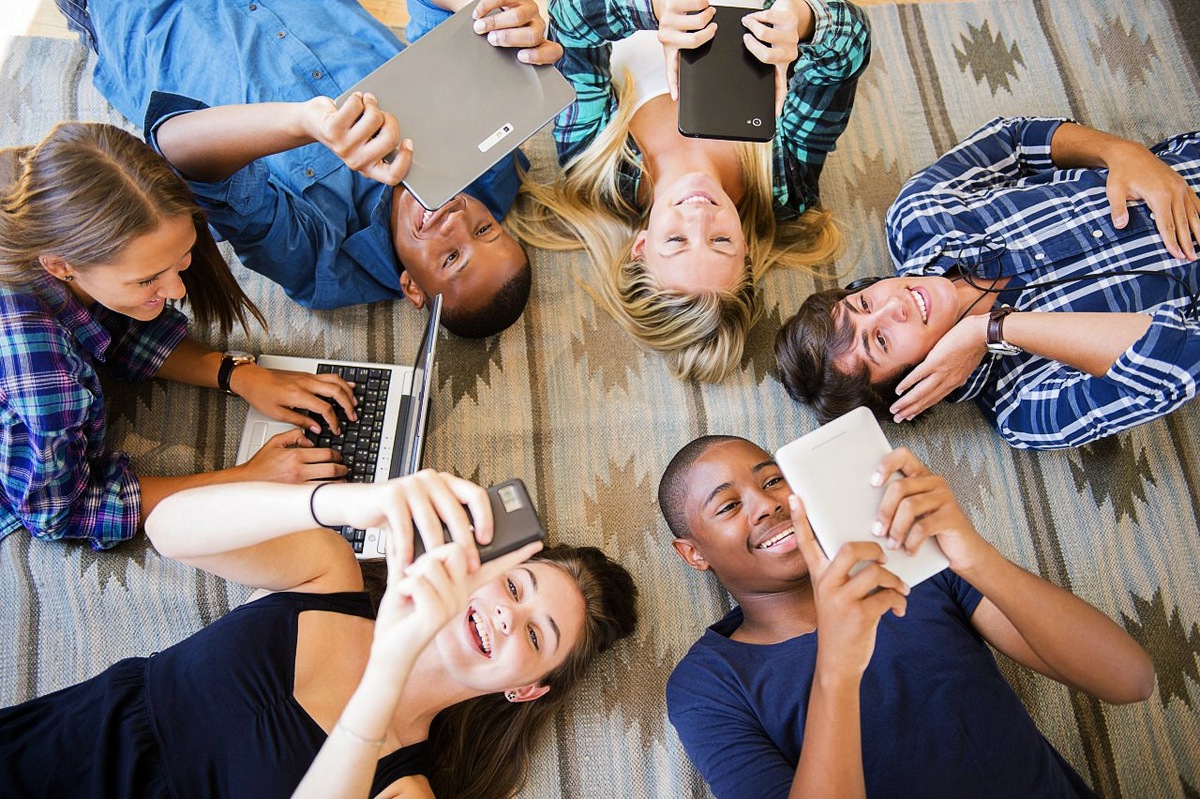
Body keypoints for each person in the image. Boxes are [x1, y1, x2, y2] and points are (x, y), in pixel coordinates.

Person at [0, 469, 639, 799]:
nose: (507, 617)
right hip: (47, 750)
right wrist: (340, 503)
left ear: (525, 690)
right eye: (515, 588)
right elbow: (167, 529)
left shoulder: (404, 790)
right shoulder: (328, 573)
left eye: (536, 637)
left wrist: (390, 669)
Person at [658, 435, 1154, 798]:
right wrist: (837, 665)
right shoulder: (708, 684)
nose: (768, 504)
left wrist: (974, 556)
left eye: (773, 480)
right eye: (728, 506)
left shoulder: (911, 564)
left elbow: (1130, 679)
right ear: (693, 553)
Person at [60, 0, 563, 338]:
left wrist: (305, 124)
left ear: (412, 287)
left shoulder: (323, 265)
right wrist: (486, 13)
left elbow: (177, 152)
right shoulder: (492, 167)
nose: (457, 221)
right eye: (485, 229)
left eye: (451, 257)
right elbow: (438, 18)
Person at [0, 122, 355, 550]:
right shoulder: (40, 370)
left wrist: (238, 374)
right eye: (146, 279)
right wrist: (246, 480)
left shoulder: (49, 196)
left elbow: (116, 329)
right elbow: (60, 511)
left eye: (182, 259)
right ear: (60, 267)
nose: (176, 291)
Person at [775, 117, 1200, 449]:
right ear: (914, 384)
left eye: (864, 304)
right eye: (881, 341)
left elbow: (1015, 140)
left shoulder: (919, 214)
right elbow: (1178, 361)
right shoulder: (1024, 406)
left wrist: (1122, 152)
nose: (894, 306)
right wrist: (993, 329)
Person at [508, 0, 867, 381]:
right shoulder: (783, 182)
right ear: (745, 247)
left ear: (641, 246)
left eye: (677, 240)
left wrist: (655, 8)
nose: (699, 217)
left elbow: (569, 23)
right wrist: (802, 20)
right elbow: (850, 48)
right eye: (720, 240)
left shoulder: (593, 163)